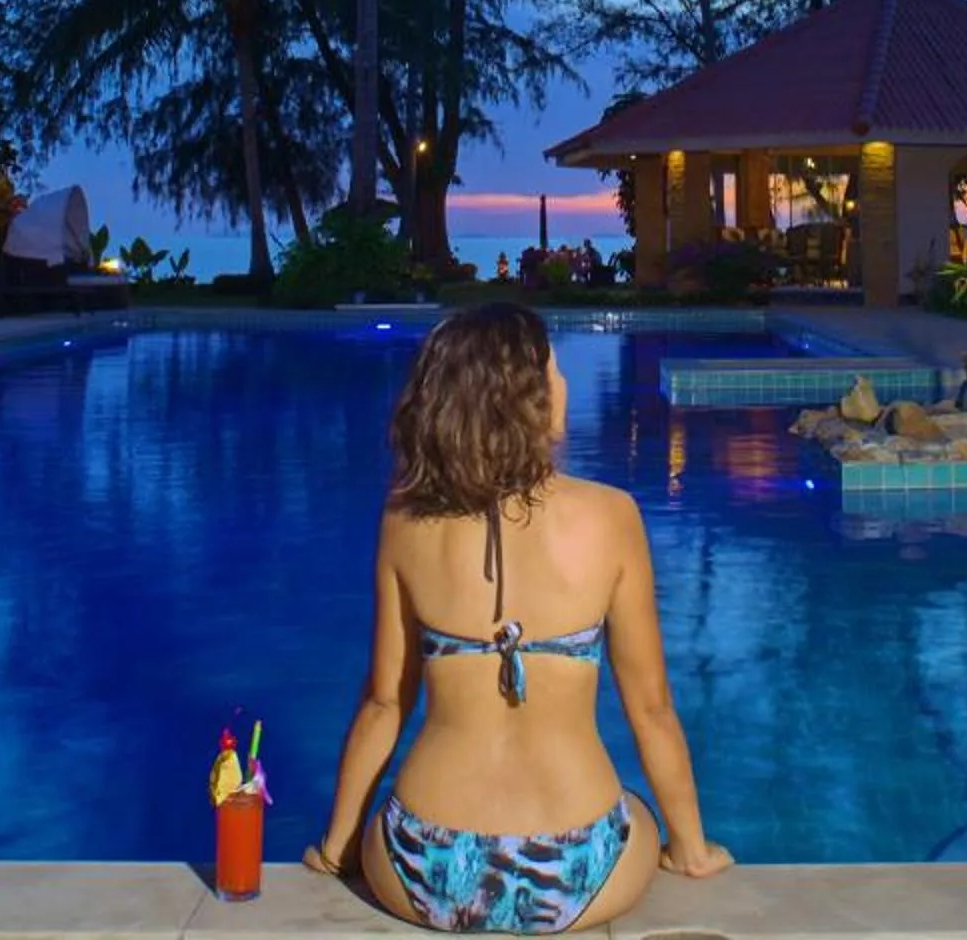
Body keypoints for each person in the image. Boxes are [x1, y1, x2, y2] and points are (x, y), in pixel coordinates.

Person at [306, 303, 732, 932]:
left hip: (421, 861)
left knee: (383, 822)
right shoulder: (611, 517)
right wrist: (690, 849)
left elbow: (383, 704)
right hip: (577, 862)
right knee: (634, 812)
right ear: (523, 400)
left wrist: (337, 847)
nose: (563, 385)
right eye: (553, 373)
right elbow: (651, 709)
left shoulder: (405, 521)